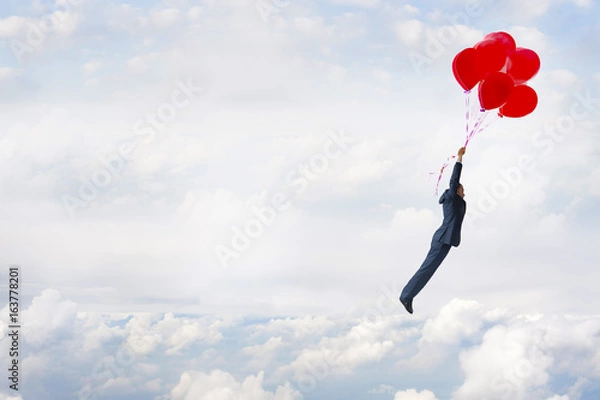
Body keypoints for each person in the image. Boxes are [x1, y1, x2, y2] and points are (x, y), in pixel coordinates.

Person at [399, 147, 467, 314]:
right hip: (442, 239)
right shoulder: (451, 197)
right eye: (462, 190)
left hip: (447, 240)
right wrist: (459, 158)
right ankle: (406, 296)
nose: (464, 193)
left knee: (429, 271)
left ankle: (408, 295)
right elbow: (454, 180)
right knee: (427, 269)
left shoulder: (455, 199)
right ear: (456, 190)